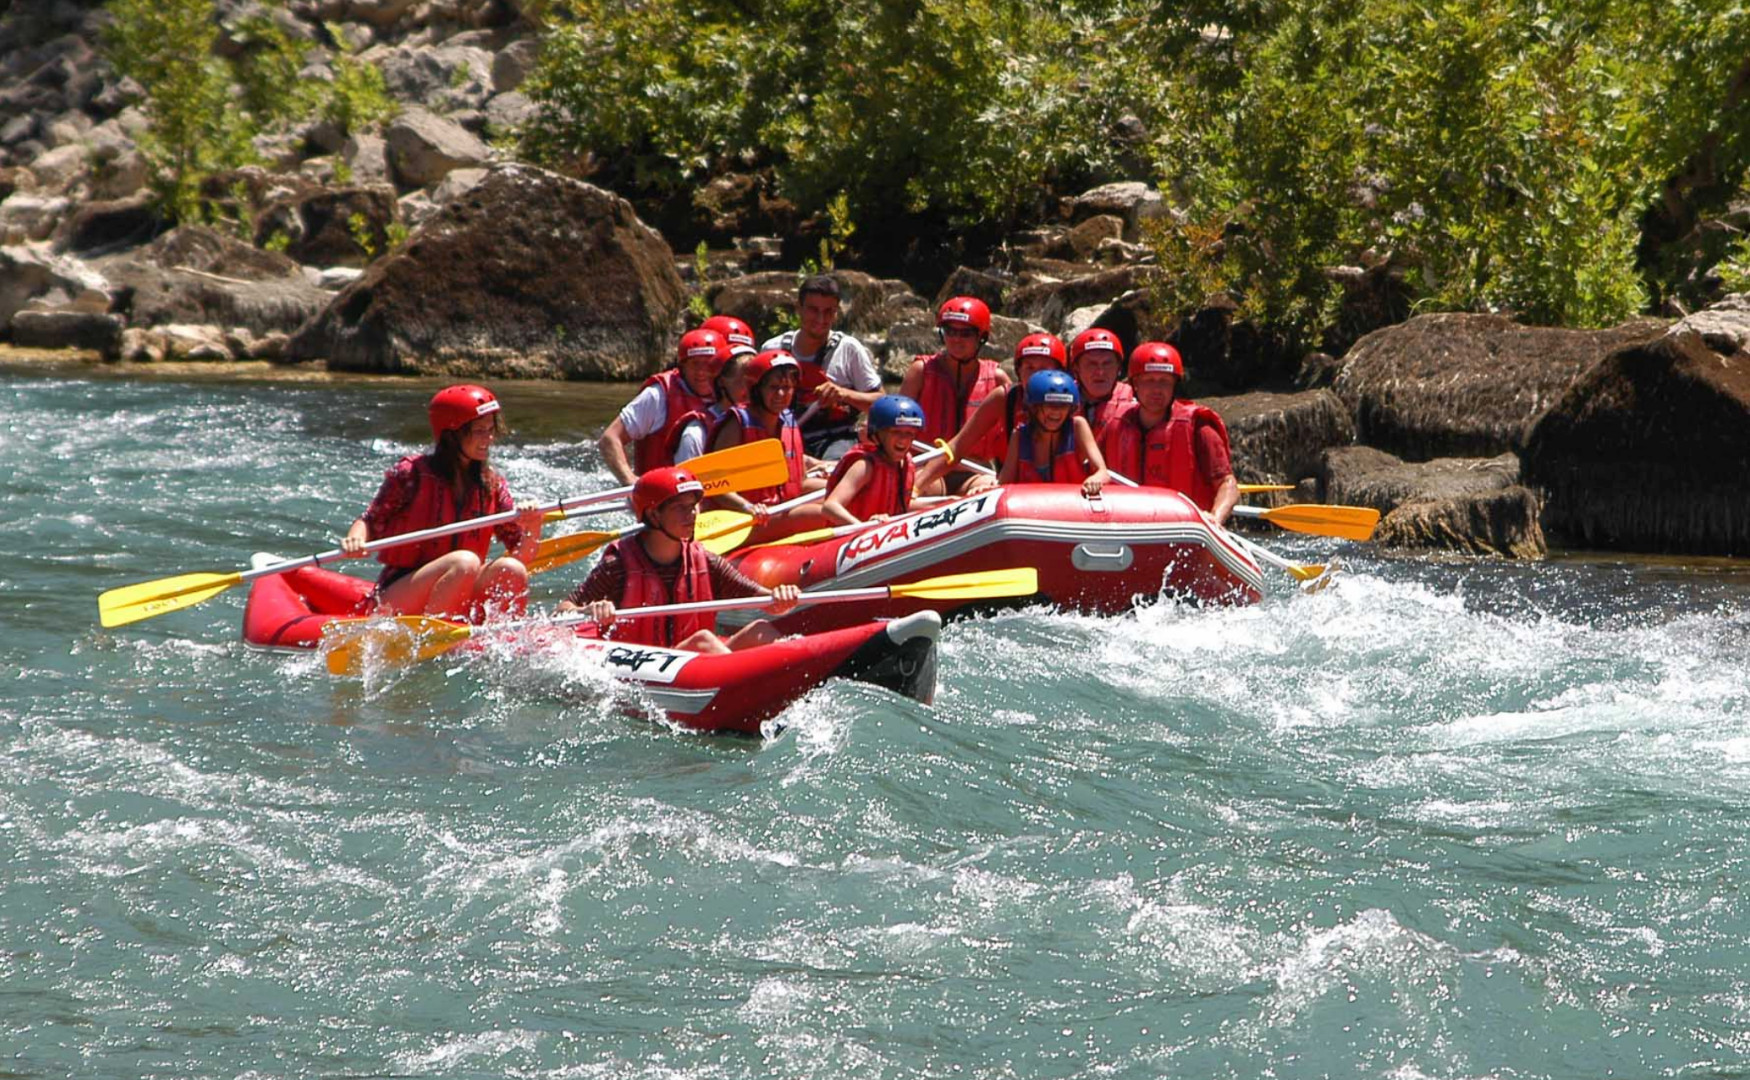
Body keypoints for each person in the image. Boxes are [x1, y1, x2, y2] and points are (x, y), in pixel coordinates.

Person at [342, 384, 545, 619]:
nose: (488, 439)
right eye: (479, 431)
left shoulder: (492, 484)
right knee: (464, 562)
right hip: (399, 593)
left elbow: (523, 556)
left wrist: (533, 523)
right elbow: (370, 519)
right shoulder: (411, 473)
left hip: (460, 588)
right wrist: (355, 538)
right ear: (452, 434)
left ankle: (503, 638)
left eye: (490, 430)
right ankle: (436, 637)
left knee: (512, 569)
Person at [558, 467, 801, 653]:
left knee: (760, 630)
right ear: (654, 514)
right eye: (680, 508)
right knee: (704, 641)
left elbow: (765, 601)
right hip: (643, 668)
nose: (692, 514)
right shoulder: (618, 565)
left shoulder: (706, 562)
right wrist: (588, 610)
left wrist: (780, 597)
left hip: (694, 661)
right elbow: (561, 612)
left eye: (694, 506)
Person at [913, 331, 1066, 497]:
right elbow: (957, 447)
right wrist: (917, 487)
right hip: (1016, 491)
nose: (1035, 375)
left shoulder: (1075, 404)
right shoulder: (1005, 398)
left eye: (1044, 369)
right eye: (1029, 367)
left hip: (1066, 492)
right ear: (1018, 371)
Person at [1102, 342, 1239, 524]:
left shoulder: (1199, 427)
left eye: (1164, 382)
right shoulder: (1115, 425)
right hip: (1128, 528)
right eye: (1149, 381)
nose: (1157, 390)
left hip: (1184, 529)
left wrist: (1215, 517)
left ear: (1174, 385)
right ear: (1135, 384)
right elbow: (1093, 471)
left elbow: (1228, 485)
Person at [760, 274, 884, 459]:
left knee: (835, 465)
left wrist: (844, 394)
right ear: (799, 309)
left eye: (828, 312)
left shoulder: (849, 349)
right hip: (781, 437)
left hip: (836, 439)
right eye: (813, 310)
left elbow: (881, 403)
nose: (821, 318)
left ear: (836, 313)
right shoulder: (772, 349)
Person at [899, 296, 1011, 495]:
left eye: (966, 333)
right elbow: (895, 425)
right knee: (924, 490)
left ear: (981, 337)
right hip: (925, 466)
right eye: (950, 331)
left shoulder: (997, 379)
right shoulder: (920, 371)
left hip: (975, 471)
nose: (956, 339)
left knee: (988, 490)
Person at [705, 349, 826, 525]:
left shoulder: (788, 422)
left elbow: (799, 482)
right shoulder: (737, 423)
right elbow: (714, 484)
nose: (781, 395)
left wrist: (836, 483)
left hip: (781, 508)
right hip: (745, 519)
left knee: (841, 496)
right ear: (756, 389)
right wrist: (747, 507)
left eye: (786, 388)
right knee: (817, 514)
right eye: (773, 388)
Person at [597, 328, 732, 483]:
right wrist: (630, 480)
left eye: (708, 364)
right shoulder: (659, 395)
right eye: (695, 364)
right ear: (683, 367)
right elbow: (609, 439)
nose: (701, 372)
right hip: (660, 499)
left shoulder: (734, 393)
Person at [997, 370, 1108, 497]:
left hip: (1073, 508)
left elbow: (1102, 472)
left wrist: (1096, 479)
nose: (1057, 412)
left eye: (1063, 406)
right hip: (1032, 511)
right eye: (1050, 405)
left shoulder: (1078, 426)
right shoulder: (1019, 436)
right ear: (1034, 408)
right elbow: (1003, 484)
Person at [821, 394, 923, 525]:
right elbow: (830, 507)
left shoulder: (903, 465)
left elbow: (903, 505)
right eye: (896, 432)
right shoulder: (864, 466)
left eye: (909, 433)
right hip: (856, 537)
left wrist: (947, 501)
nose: (903, 439)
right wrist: (863, 527)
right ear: (877, 434)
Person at [670, 352, 748, 466]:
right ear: (721, 383)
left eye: (758, 382)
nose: (753, 389)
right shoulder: (696, 434)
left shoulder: (773, 422)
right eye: (744, 382)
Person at [1068, 326, 1134, 441]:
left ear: (1118, 368)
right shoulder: (1059, 403)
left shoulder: (1136, 408)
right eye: (1091, 364)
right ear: (1076, 368)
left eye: (1107, 363)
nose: (1100, 372)